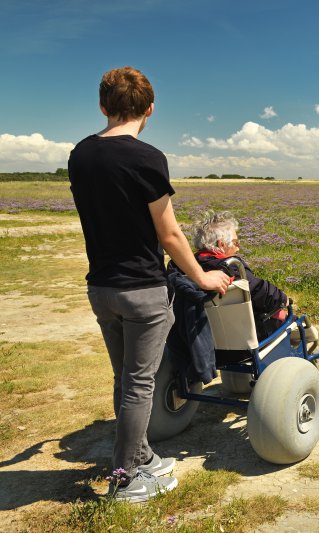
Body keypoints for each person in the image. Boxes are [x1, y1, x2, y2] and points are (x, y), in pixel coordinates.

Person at [68, 66, 231, 503]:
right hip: (142, 289)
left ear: (102, 107)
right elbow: (170, 234)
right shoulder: (147, 158)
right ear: (150, 110)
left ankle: (141, 455)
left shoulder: (80, 155)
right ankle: (125, 478)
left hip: (101, 288)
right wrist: (201, 275)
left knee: (125, 378)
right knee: (140, 384)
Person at [190, 210, 289, 339]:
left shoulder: (189, 267)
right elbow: (259, 291)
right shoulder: (232, 267)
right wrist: (282, 299)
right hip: (245, 337)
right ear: (222, 244)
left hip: (205, 337)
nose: (238, 248)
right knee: (297, 323)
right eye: (236, 242)